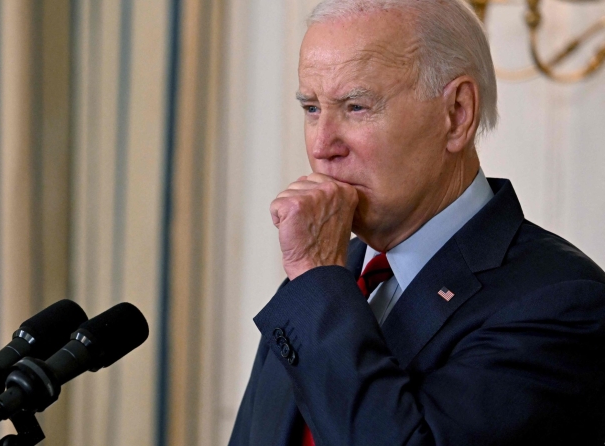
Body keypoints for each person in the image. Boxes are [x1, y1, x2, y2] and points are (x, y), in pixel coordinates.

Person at [228, 0, 605, 445]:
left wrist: (316, 278)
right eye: (311, 108)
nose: (322, 146)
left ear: (457, 114)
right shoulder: (322, 277)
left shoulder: (562, 303)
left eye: (356, 106)